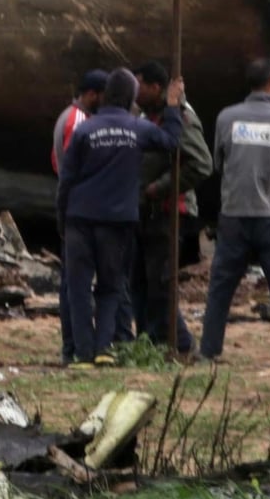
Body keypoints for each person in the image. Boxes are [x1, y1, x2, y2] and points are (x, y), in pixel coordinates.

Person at [56, 68, 185, 366]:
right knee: (111, 286)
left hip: (79, 217)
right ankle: (104, 348)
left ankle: (82, 352)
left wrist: (62, 218)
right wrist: (173, 106)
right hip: (117, 221)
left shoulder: (84, 130)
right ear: (130, 98)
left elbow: (67, 180)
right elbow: (171, 142)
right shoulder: (137, 129)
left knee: (78, 287)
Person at [200, 59, 270, 367]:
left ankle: (208, 351)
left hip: (234, 213)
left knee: (221, 286)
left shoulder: (226, 118)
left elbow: (218, 163)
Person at [131, 60, 213, 354]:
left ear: (155, 87)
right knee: (141, 282)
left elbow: (201, 164)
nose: (134, 91)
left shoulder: (179, 118)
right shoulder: (147, 116)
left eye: (139, 85)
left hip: (167, 212)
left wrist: (159, 188)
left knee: (161, 283)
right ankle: (149, 340)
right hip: (145, 212)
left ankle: (180, 343)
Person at [51, 69, 108, 364]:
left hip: (75, 208)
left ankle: (73, 346)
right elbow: (74, 167)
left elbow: (55, 161)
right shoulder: (79, 122)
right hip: (81, 212)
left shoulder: (68, 117)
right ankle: (76, 348)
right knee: (78, 285)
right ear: (93, 94)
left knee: (72, 283)